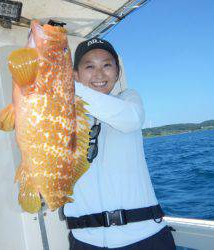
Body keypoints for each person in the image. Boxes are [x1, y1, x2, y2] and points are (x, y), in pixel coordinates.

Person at [63, 37, 176, 250]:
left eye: (107, 65)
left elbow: (130, 119)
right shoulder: (64, 117)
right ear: (76, 75)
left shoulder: (129, 99)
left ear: (117, 73)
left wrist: (67, 86)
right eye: (89, 66)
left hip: (145, 238)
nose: (99, 73)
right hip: (85, 242)